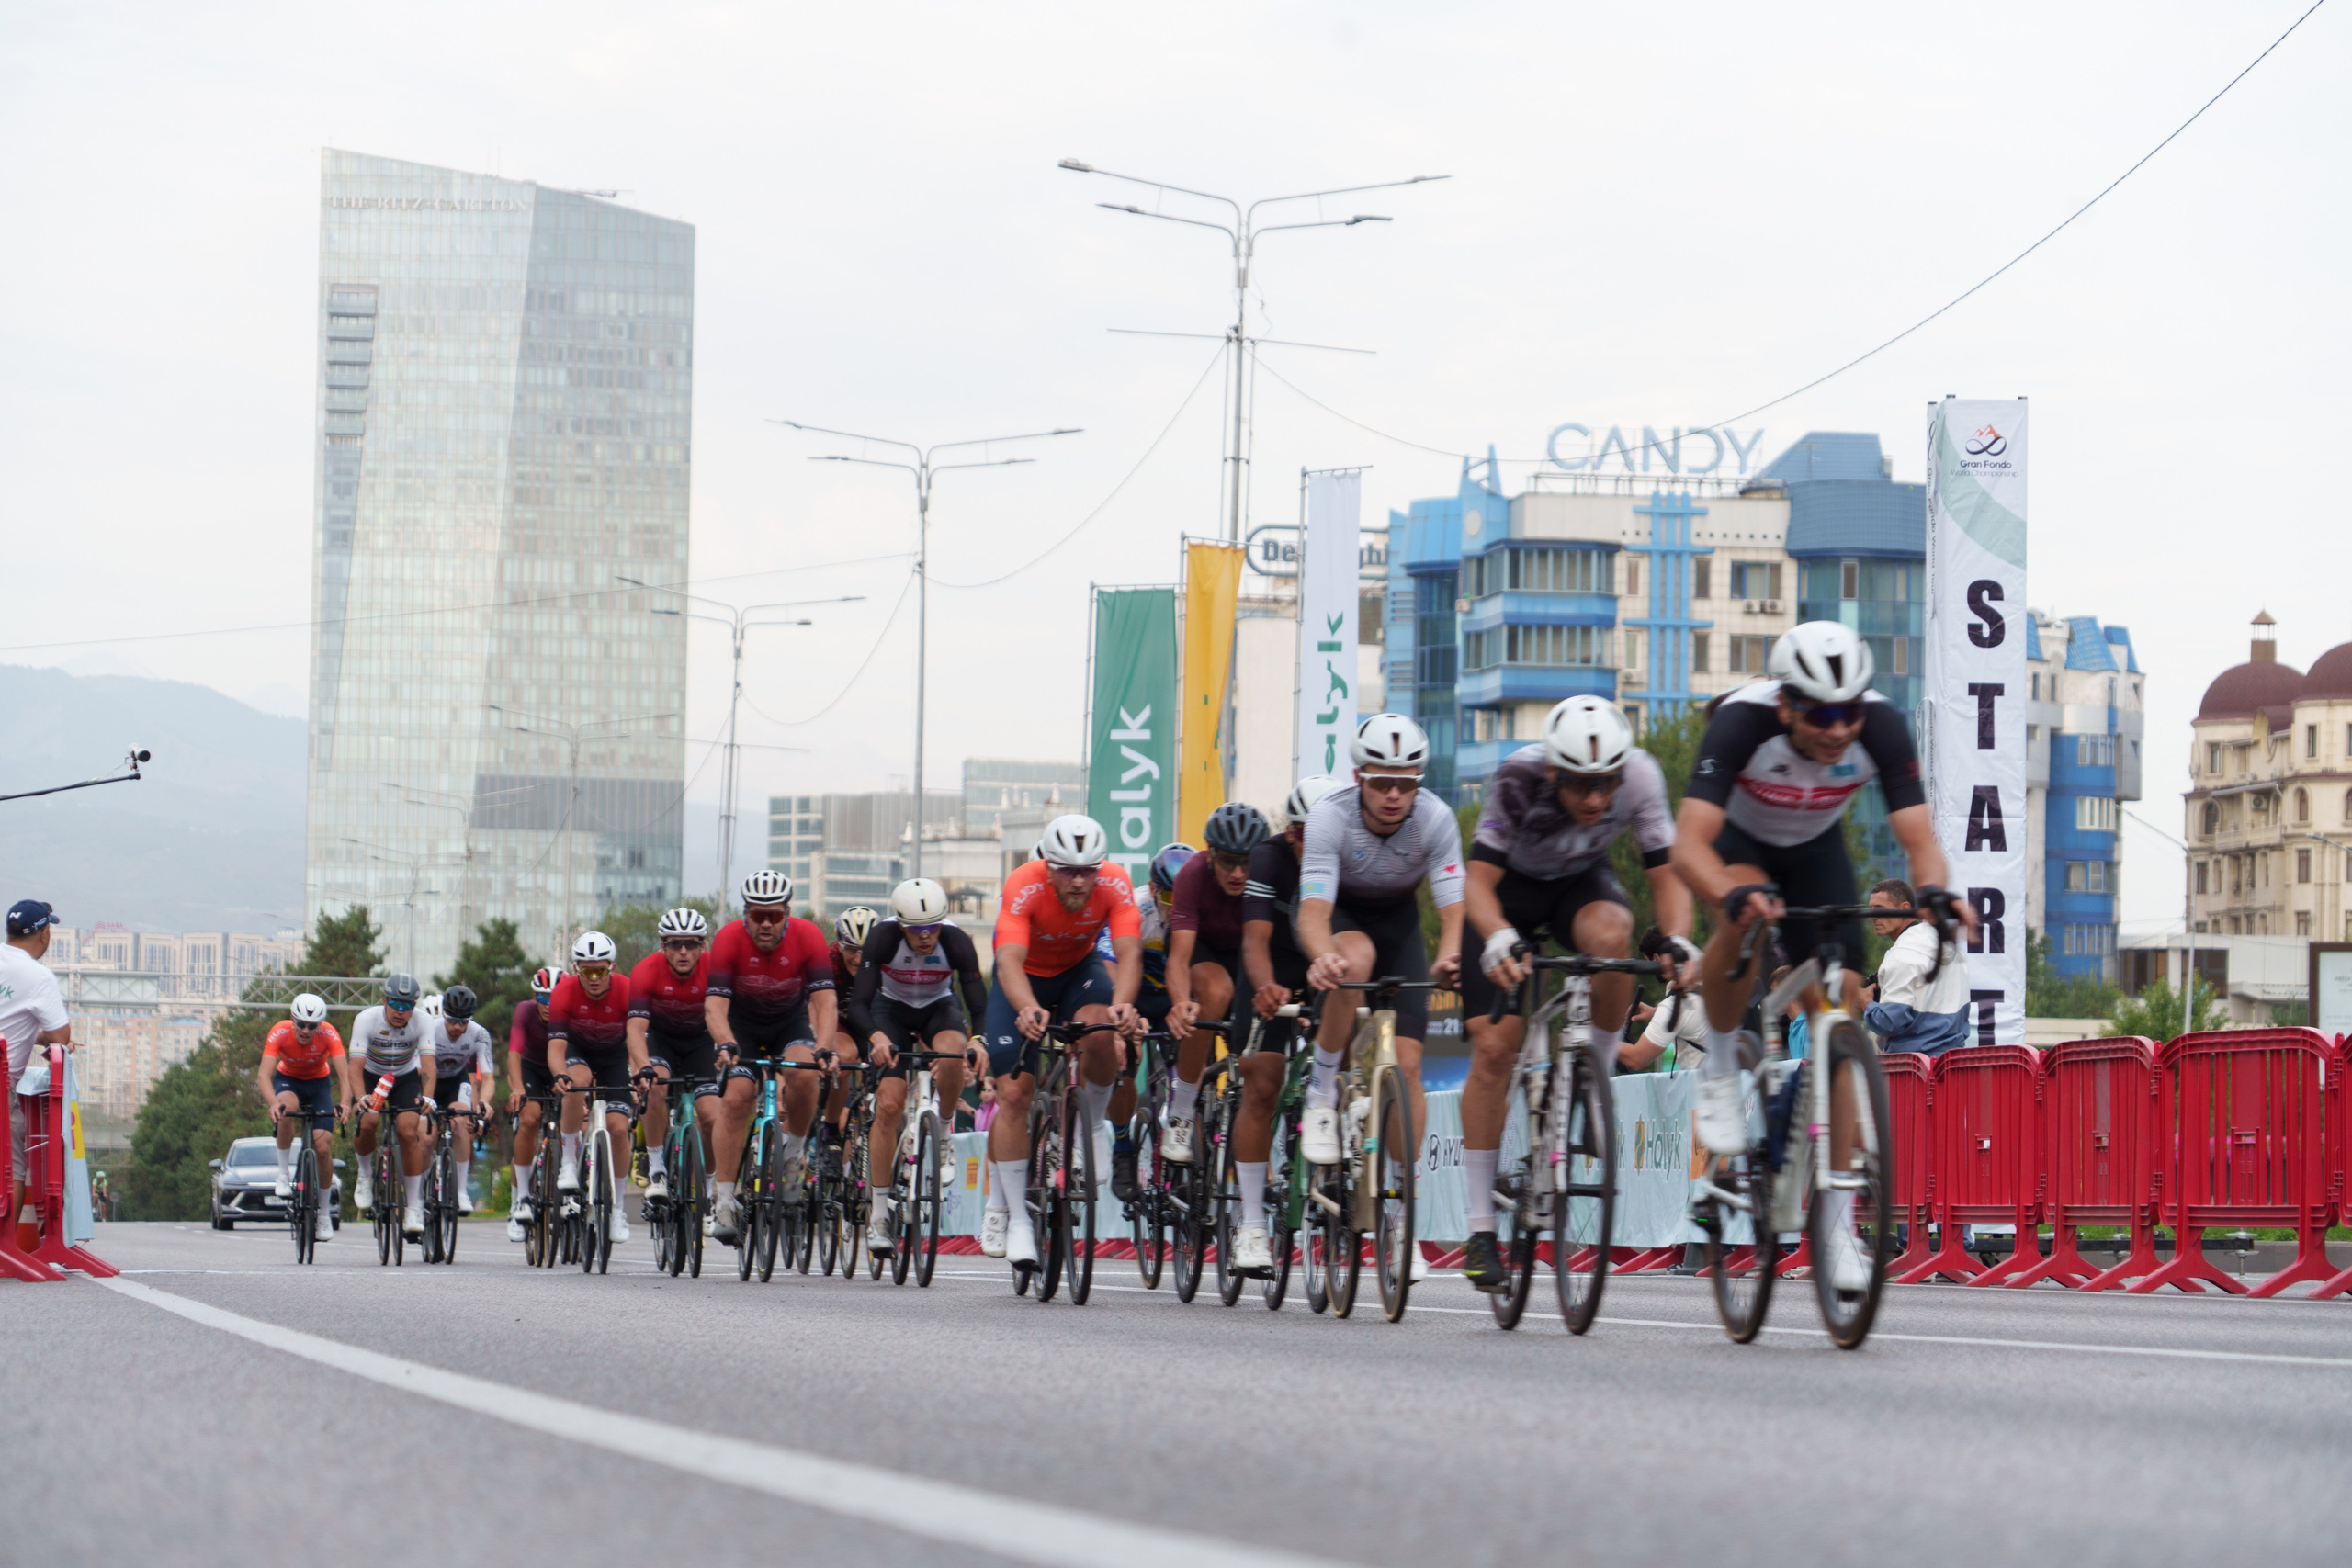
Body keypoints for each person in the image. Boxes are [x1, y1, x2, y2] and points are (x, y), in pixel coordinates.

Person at [1670, 621, 1976, 1291]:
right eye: (1822, 713)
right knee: (1740, 929)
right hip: (1741, 842)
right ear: (1786, 704)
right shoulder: (1740, 722)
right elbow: (1687, 845)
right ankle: (1721, 1073)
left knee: (1837, 1010)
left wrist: (1937, 894)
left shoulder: (1880, 724)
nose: (1840, 728)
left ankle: (1835, 1231)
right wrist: (1730, 892)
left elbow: (1919, 837)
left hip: (1814, 848)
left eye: (1851, 711)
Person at [1456, 696, 1699, 1292]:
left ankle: (1592, 1070)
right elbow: (1478, 883)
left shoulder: (1640, 775)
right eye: (1581, 785)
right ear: (1555, 772)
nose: (1595, 800)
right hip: (1507, 895)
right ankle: (1482, 1226)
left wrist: (1679, 940)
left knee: (1616, 939)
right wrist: (1498, 936)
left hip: (1577, 887)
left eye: (1605, 784)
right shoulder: (1518, 777)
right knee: (1494, 1049)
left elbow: (1666, 876)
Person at [1296, 715, 1466, 1285]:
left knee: (1409, 1066)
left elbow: (1451, 909)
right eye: (1381, 783)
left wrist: (1450, 956)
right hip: (1344, 921)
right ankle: (1323, 1085)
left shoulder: (1436, 819)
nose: (1394, 795)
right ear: (1359, 778)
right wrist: (1322, 955)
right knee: (1355, 959)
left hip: (1400, 928)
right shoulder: (1330, 817)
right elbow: (1314, 912)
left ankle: (1403, 1221)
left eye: (1407, 783)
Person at [978, 813, 1143, 1273]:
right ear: (1048, 866)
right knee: (1013, 1093)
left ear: (1101, 866)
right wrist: (1027, 1006)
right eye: (1067, 870)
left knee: (1103, 1032)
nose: (1078, 881)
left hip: (1077, 973)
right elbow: (1008, 958)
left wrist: (1123, 1006)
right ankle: (1016, 1224)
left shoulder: (1115, 884)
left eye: (1087, 870)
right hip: (1023, 978)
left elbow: (1129, 953)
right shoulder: (1023, 884)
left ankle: (1090, 1129)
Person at [1161, 803, 1286, 1275]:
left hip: (1258, 956)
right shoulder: (1192, 876)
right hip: (1211, 955)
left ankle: (1250, 1198)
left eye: (1247, 861)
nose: (1239, 872)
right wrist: (1180, 1002)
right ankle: (1182, 1107)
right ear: (1210, 854)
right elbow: (1179, 957)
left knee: (1261, 1072)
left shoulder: (1269, 870)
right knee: (1211, 993)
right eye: (1228, 861)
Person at [842, 878, 985, 1257]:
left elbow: (977, 1003)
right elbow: (859, 1003)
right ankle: (879, 1213)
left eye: (933, 927)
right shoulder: (883, 938)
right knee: (889, 1104)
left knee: (954, 1050)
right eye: (917, 930)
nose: (926, 937)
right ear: (901, 924)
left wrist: (978, 1040)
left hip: (938, 1009)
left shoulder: (956, 942)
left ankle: (941, 1131)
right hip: (889, 1012)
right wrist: (874, 1037)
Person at [705, 869, 839, 1245]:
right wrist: (725, 1042)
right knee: (735, 1099)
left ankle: (793, 1153)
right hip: (741, 1027)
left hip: (788, 1022)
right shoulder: (728, 938)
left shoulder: (808, 936)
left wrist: (825, 1046)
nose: (766, 924)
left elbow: (825, 1001)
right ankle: (726, 1200)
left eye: (775, 916)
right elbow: (715, 1006)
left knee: (807, 1073)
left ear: (787, 914)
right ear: (745, 914)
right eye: (758, 916)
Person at [627, 908, 736, 1208]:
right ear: (663, 946)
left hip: (702, 1044)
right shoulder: (645, 971)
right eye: (676, 944)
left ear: (704, 944)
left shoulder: (716, 968)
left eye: (691, 943)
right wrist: (643, 1066)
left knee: (713, 1118)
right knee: (656, 1085)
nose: (684, 951)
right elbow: (635, 1029)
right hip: (662, 1042)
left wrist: (728, 1047)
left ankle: (710, 1185)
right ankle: (657, 1168)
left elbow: (730, 1016)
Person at [546, 932, 635, 1244]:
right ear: (575, 969)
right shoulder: (564, 992)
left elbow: (638, 1038)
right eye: (587, 971)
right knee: (576, 1083)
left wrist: (638, 1074)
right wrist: (560, 1074)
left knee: (619, 1129)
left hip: (615, 1055)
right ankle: (569, 1163)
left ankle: (618, 1209)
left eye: (601, 970)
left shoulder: (627, 990)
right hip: (579, 1050)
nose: (594, 978)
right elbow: (556, 1047)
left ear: (613, 967)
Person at [255, 993, 352, 1243]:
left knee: (323, 1149)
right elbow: (263, 1076)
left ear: (320, 1025)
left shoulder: (329, 1034)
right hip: (288, 1080)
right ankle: (283, 1174)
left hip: (319, 1084)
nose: (306, 1031)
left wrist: (344, 1104)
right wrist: (273, 1104)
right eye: (301, 1024)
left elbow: (344, 1075)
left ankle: (322, 1214)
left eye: (312, 1026)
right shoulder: (279, 1032)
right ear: (292, 1019)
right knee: (287, 1107)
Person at [348, 973, 436, 1240]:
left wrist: (428, 1098)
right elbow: (355, 1066)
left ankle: (413, 1207)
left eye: (407, 1005)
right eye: (395, 1005)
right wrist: (361, 1096)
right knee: (368, 1121)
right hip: (371, 1075)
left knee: (409, 1132)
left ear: (415, 1006)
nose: (401, 1012)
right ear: (384, 1000)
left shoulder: (423, 1021)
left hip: (404, 1077)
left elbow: (429, 1065)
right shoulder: (366, 1019)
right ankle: (365, 1175)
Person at [2, 901, 74, 1219]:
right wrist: (43, 1035)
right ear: (44, 934)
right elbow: (60, 1035)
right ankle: (4, 1247)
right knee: (10, 1166)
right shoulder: (38, 976)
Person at [1860, 878, 1972, 1055]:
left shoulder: (1900, 956)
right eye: (1870, 909)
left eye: (1880, 909)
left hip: (1912, 1071)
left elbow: (1890, 1022)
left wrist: (1866, 1003)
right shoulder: (1947, 946)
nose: (1872, 916)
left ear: (1904, 909)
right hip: (1951, 1066)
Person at [817, 906, 880, 1180]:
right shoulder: (829, 960)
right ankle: (831, 1133)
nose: (858, 958)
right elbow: (818, 1005)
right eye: (851, 950)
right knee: (846, 1056)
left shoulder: (885, 960)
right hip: (839, 1023)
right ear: (839, 945)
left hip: (874, 1026)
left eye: (864, 950)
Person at [424, 984, 493, 1213]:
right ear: (444, 1014)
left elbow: (488, 1078)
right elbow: (420, 1069)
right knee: (427, 1134)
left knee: (462, 1124)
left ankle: (461, 1191)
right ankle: (420, 1184)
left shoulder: (479, 1034)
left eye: (463, 1022)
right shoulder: (429, 1029)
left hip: (456, 1081)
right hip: (427, 1080)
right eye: (452, 1020)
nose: (456, 1026)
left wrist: (483, 1103)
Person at [503, 965, 560, 1243]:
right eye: (543, 998)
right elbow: (514, 1052)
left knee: (574, 1118)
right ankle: (521, 1200)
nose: (549, 1005)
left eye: (555, 999)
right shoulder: (525, 1011)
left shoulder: (570, 1011)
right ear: (534, 996)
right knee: (529, 1118)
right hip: (531, 1069)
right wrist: (516, 1088)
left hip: (561, 1067)